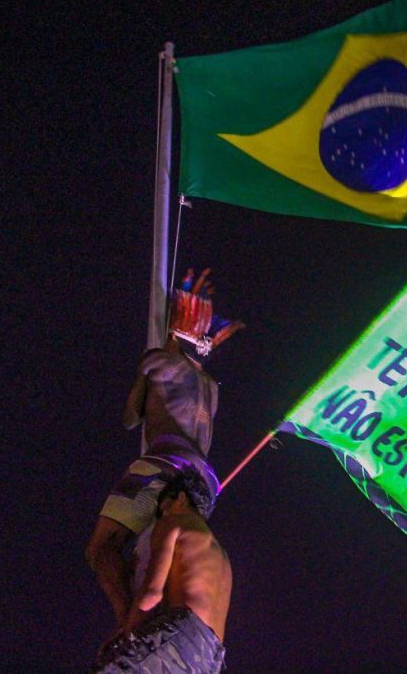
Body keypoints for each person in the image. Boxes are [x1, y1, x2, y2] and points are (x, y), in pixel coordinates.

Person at [86, 268, 243, 628]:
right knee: (161, 553)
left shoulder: (159, 362)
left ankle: (127, 620)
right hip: (203, 480)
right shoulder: (209, 384)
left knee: (101, 548)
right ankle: (153, 614)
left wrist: (145, 367)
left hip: (163, 463)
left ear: (175, 329)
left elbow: (129, 418)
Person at [91, 477, 232, 674]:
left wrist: (128, 632)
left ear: (181, 498)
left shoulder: (174, 521)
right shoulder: (221, 556)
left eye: (164, 506)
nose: (162, 513)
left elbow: (152, 594)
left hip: (180, 637)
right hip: (210, 659)